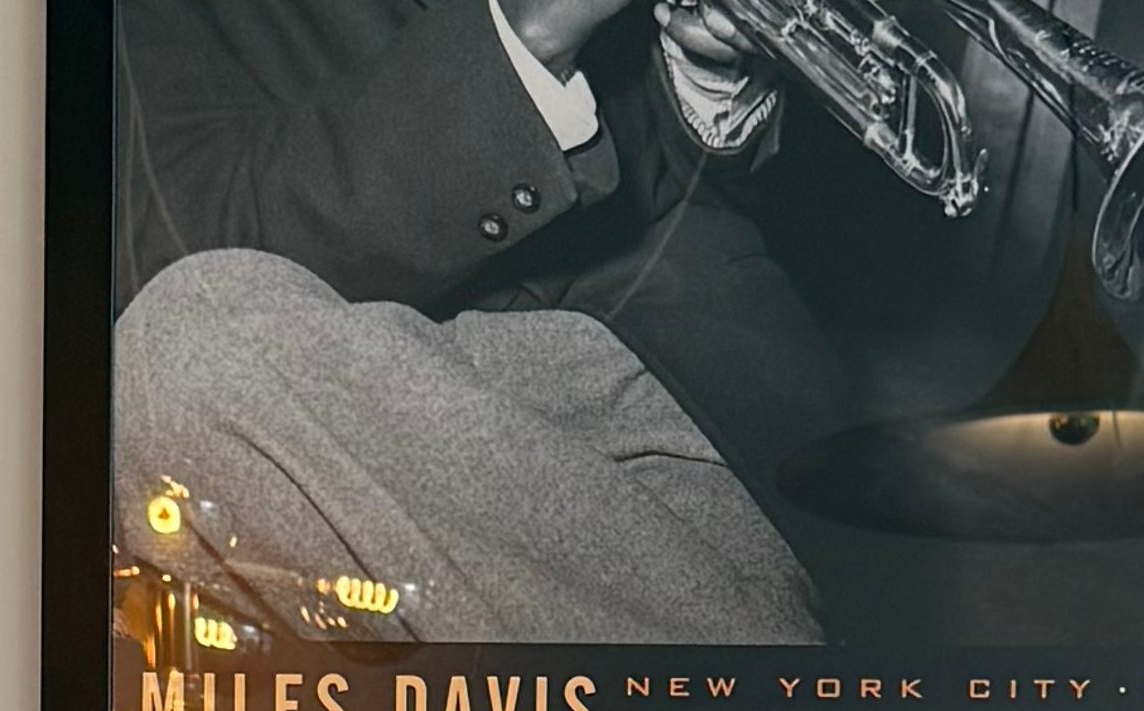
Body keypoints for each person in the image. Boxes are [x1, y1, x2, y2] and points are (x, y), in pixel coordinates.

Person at [112, 0, 851, 641]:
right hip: (352, 423)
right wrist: (522, 38)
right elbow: (184, 232)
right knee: (177, 349)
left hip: (667, 384)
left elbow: (678, 170)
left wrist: (705, 68)